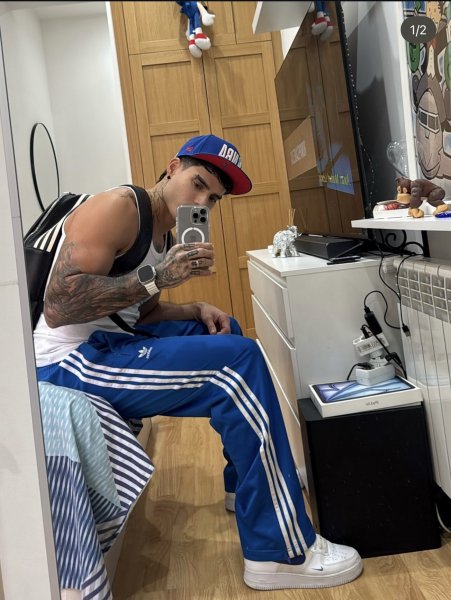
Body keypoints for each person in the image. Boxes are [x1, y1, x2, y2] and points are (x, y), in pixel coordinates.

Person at [34, 133, 363, 590]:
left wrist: (193, 308)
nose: (202, 201)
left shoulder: (164, 233)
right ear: (173, 168)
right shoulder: (119, 207)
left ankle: (243, 485)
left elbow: (139, 313)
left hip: (110, 339)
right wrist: (159, 275)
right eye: (198, 184)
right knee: (238, 361)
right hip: (67, 360)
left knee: (224, 328)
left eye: (213, 198)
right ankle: (279, 552)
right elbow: (59, 305)